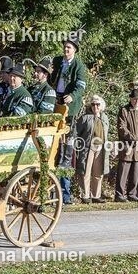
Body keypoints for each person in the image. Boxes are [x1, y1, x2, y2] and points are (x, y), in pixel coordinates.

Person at [50, 34, 89, 204]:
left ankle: (65, 194)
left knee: (67, 148)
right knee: (53, 146)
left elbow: (81, 86)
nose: (66, 50)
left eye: (69, 48)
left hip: (70, 108)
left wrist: (72, 96)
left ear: (75, 50)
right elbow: (51, 78)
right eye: (65, 47)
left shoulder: (79, 65)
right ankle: (51, 190)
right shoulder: (58, 60)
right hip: (56, 103)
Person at [73, 96, 110, 203]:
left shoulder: (105, 118)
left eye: (97, 104)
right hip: (88, 148)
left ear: (101, 106)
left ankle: (96, 195)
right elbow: (76, 134)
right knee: (85, 172)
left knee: (98, 173)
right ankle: (85, 196)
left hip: (101, 148)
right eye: (93, 104)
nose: (95, 107)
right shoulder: (85, 118)